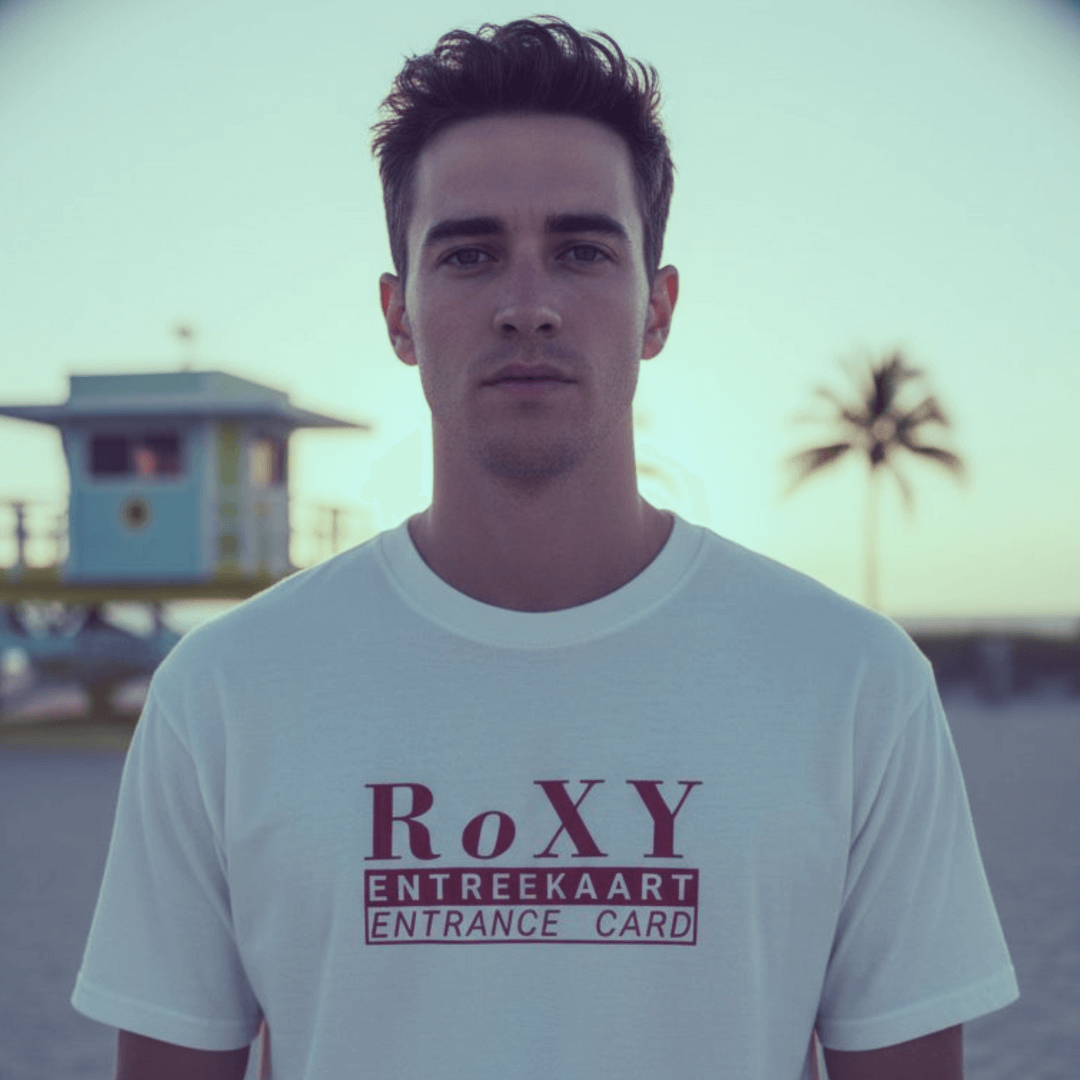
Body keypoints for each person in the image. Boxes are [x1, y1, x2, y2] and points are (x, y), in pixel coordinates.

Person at [72, 17, 1018, 1079]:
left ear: (658, 307)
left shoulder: (852, 683)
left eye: (582, 251)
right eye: (469, 255)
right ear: (398, 315)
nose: (528, 307)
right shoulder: (225, 693)